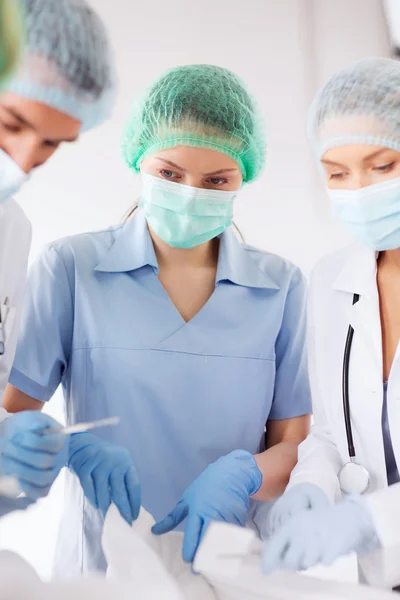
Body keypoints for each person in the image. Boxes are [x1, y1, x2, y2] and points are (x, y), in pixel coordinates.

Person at [3, 63, 311, 576]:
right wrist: (68, 446)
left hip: (233, 566)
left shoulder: (280, 287)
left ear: (244, 177)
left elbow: (296, 449)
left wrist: (243, 476)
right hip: (100, 570)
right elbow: (12, 421)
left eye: (216, 180)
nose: (190, 193)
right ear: (138, 160)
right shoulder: (71, 268)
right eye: (169, 174)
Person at [0, 0, 140, 529]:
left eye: (51, 144)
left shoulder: (10, 231)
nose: (24, 159)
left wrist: (32, 449)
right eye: (11, 122)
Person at [261, 57, 400, 581]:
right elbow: (330, 431)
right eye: (338, 173)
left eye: (382, 166)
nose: (359, 190)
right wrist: (309, 489)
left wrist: (371, 519)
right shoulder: (331, 278)